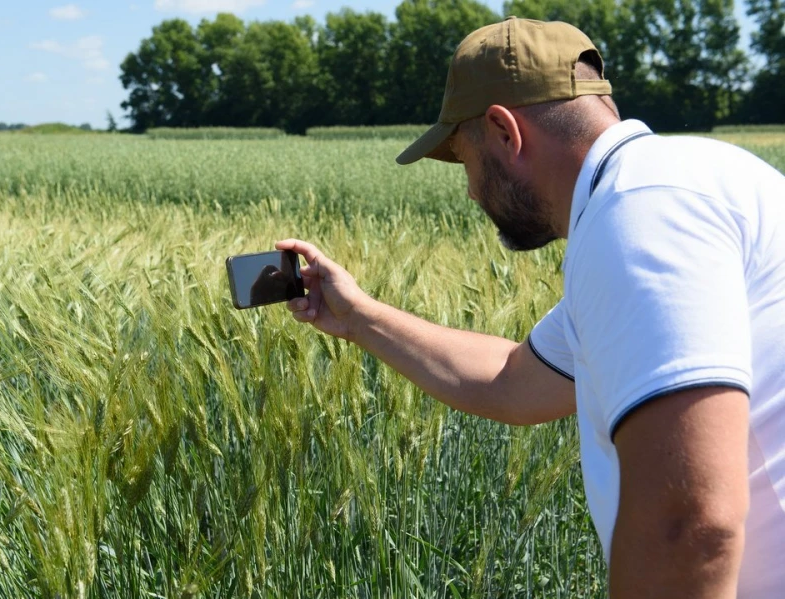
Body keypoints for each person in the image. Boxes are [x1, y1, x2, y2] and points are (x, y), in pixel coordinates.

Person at [276, 16, 785, 598]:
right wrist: (358, 316)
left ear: (504, 131)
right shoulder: (678, 184)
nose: (471, 189)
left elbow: (687, 523)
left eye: (465, 159)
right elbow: (512, 380)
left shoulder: (640, 216)